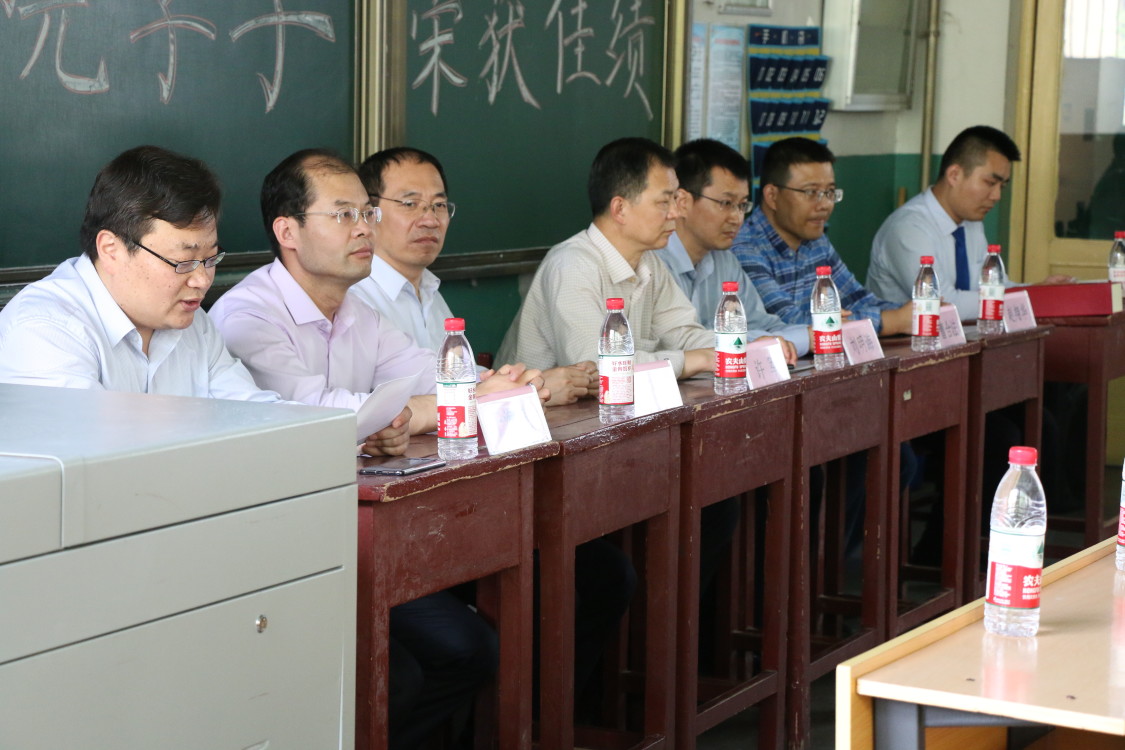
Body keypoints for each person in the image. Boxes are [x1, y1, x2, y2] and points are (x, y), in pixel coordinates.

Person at [209, 149, 541, 750]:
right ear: (287, 231)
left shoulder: (355, 308)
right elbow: (317, 413)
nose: (364, 228)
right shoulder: (246, 315)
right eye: (343, 215)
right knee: (433, 663)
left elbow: (430, 371)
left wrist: (493, 384)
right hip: (288, 547)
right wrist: (411, 411)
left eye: (366, 212)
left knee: (472, 645)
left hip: (367, 529)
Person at [0, 145, 280, 401]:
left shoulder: (195, 324)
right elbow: (90, 440)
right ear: (111, 250)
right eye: (183, 262)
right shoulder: (45, 330)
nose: (202, 280)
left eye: (210, 258)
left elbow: (254, 413)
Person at [498, 136, 786, 374]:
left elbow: (683, 334)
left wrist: (743, 347)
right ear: (620, 209)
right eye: (664, 202)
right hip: (544, 419)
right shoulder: (572, 265)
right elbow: (598, 367)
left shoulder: (649, 264)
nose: (675, 213)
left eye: (675, 200)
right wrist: (694, 360)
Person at [353, 146, 597, 406]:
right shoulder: (354, 297)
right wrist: (531, 389)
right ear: (370, 214)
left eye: (439, 205)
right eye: (410, 204)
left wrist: (527, 383)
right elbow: (391, 403)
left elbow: (457, 378)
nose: (430, 220)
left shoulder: (428, 289)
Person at [868, 125, 1071, 318]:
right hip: (909, 340)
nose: (996, 196)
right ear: (954, 175)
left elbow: (992, 288)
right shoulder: (908, 228)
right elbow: (943, 303)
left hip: (962, 336)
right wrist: (1028, 299)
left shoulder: (971, 222)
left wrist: (1037, 291)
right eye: (990, 183)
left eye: (1002, 186)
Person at [731, 137, 913, 336]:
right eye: (811, 192)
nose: (825, 204)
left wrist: (913, 312)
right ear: (772, 196)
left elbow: (857, 299)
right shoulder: (744, 247)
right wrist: (892, 322)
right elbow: (790, 323)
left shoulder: (815, 240)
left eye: (830, 192)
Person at [654, 138, 809, 356]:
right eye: (726, 203)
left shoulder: (726, 261)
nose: (737, 218)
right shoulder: (653, 262)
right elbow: (678, 345)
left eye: (742, 205)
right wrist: (757, 342)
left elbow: (766, 326)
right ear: (682, 202)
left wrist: (806, 335)